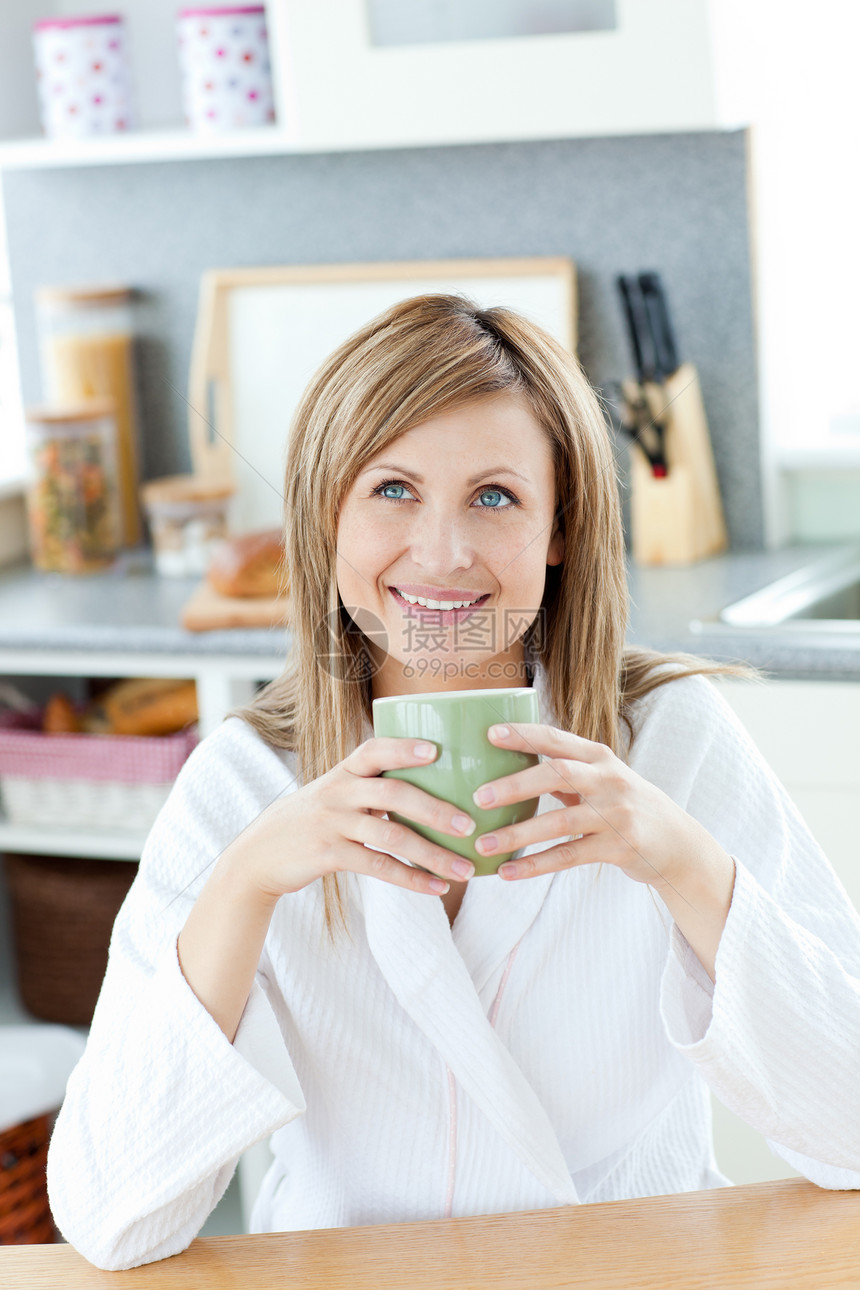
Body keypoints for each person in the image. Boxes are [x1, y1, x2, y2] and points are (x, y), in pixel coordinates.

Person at [47, 295, 860, 1270]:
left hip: (634, 1267)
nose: (440, 554)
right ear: (326, 517)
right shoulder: (247, 781)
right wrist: (245, 882)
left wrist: (683, 861)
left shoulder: (665, 739)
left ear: (560, 528)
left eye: (494, 497)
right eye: (391, 489)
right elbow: (107, 1216)